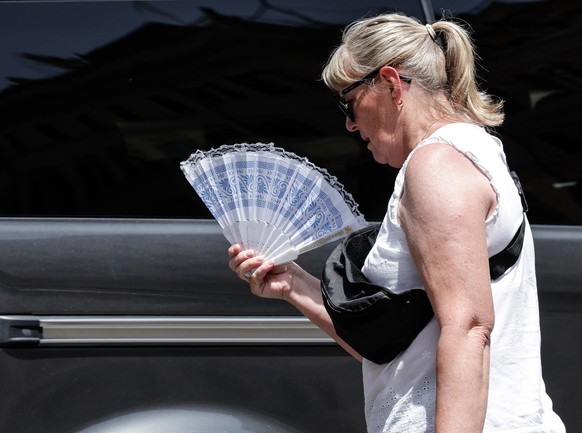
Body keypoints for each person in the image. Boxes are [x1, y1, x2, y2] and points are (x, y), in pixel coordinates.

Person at [228, 12, 566, 433]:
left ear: (390, 83)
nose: (349, 123)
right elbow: (396, 343)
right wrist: (292, 285)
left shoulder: (436, 166)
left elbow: (469, 328)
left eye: (348, 102)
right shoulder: (473, 151)